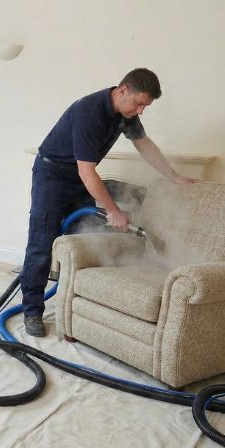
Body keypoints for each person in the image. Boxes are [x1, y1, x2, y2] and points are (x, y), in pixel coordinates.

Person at [21, 68, 197, 337]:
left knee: (87, 239)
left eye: (145, 107)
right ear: (123, 90)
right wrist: (113, 211)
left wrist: (173, 175)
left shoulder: (124, 114)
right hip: (52, 175)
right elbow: (88, 171)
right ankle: (32, 310)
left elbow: (145, 144)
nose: (140, 111)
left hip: (79, 177)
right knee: (42, 243)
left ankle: (79, 301)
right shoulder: (89, 112)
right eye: (139, 103)